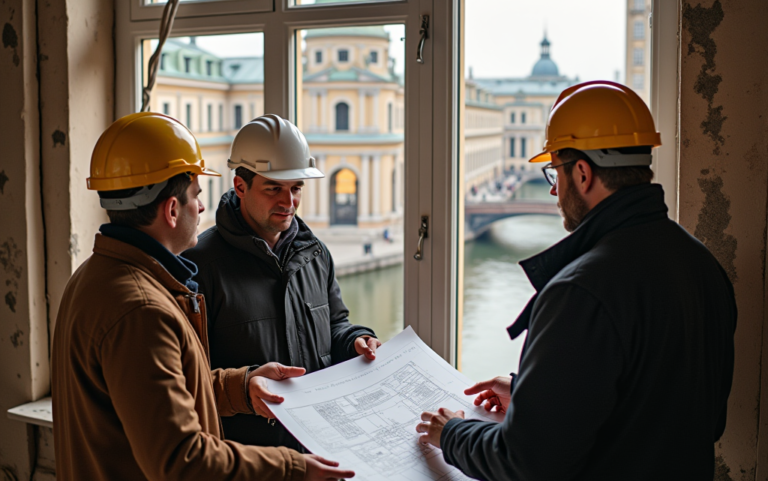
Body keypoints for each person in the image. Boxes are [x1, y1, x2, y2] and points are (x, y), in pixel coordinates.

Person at [417, 81, 736, 480]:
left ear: (583, 173)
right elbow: (692, 414)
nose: (553, 190)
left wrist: (452, 433)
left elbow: (526, 463)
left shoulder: (580, 291)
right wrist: (536, 396)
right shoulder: (702, 263)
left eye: (555, 172)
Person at [51, 112, 354, 481]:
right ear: (172, 210)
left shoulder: (94, 276)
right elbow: (182, 460)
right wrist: (292, 467)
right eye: (196, 195)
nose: (201, 207)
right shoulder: (142, 311)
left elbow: (158, 391)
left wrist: (241, 387)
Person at [184, 114, 380, 451]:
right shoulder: (199, 265)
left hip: (317, 450)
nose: (289, 203)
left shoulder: (316, 254)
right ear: (240, 186)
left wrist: (355, 341)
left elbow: (335, 325)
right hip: (247, 459)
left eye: (296, 188)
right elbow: (187, 377)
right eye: (274, 188)